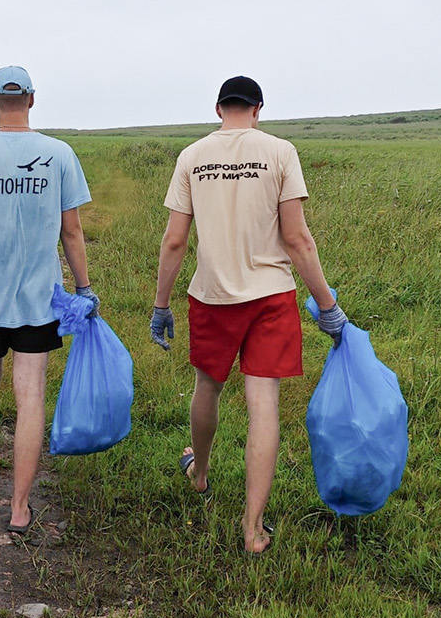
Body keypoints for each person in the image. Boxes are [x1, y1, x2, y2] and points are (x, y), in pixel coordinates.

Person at [149, 75, 347, 554]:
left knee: (208, 387)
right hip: (271, 296)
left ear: (219, 109)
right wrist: (327, 305)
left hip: (212, 296)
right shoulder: (280, 152)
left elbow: (174, 240)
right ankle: (253, 527)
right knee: (264, 404)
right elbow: (297, 239)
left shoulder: (192, 156)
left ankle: (200, 472)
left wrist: (161, 304)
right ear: (258, 109)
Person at [0, 66, 95, 535]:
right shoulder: (60, 153)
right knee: (30, 394)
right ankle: (20, 507)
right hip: (39, 298)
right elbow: (72, 230)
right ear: (31, 99)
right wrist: (83, 288)